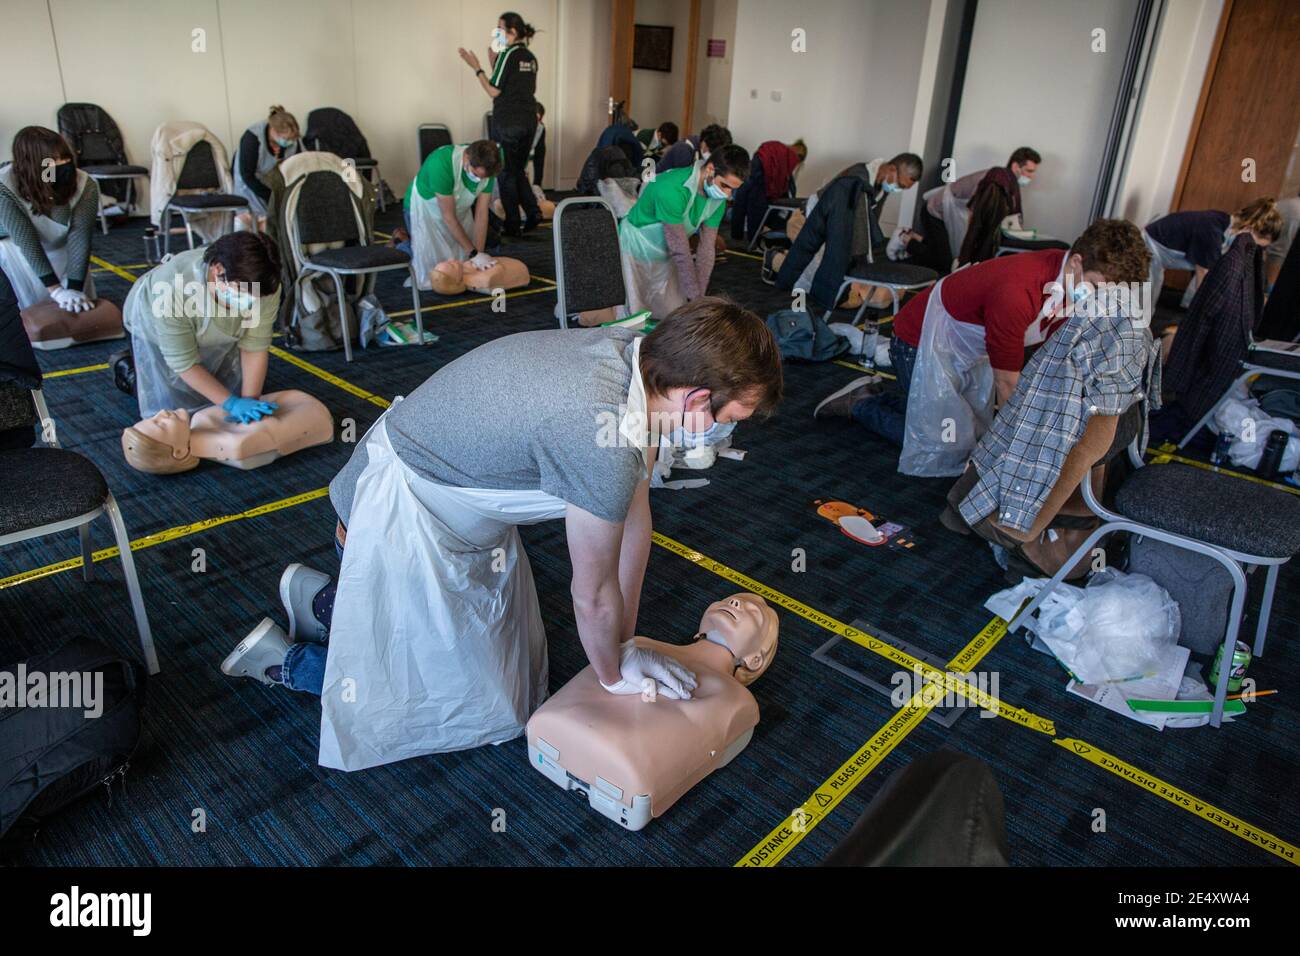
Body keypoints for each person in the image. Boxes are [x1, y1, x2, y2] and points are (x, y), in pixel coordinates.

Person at [218, 297, 785, 772]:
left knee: (489, 653)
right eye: (732, 415)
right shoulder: (601, 441)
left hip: (429, 490)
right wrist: (611, 675)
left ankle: (323, 600)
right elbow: (591, 592)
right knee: (476, 705)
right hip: (393, 515)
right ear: (695, 398)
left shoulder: (633, 360)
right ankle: (283, 662)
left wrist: (626, 643)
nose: (727, 428)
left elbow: (636, 520)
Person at [813, 218, 1151, 477]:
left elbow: (1049, 356)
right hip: (918, 342)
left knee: (972, 432)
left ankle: (884, 397)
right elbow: (1008, 384)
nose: (1100, 300)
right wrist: (1018, 452)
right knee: (944, 447)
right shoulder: (1018, 292)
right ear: (1076, 262)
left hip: (970, 348)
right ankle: (859, 404)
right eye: (1097, 288)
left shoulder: (1071, 283)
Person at [122, 232, 282, 420]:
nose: (250, 300)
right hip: (150, 326)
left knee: (217, 392)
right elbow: (183, 362)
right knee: (171, 406)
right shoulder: (172, 287)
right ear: (218, 269)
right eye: (241, 291)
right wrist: (231, 403)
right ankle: (127, 371)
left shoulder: (264, 284)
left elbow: (255, 346)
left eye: (254, 295)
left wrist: (251, 400)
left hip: (212, 329)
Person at [775, 152, 923, 313]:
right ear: (892, 169)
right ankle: (775, 258)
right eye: (900, 185)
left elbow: (868, 223)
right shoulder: (856, 179)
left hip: (836, 229)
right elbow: (837, 234)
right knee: (820, 285)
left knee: (856, 288)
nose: (897, 190)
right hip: (806, 223)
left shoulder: (881, 185)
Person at [618, 143, 750, 316]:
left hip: (666, 251)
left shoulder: (717, 200)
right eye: (724, 186)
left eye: (732, 190)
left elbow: (706, 250)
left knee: (670, 313)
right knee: (634, 313)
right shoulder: (671, 189)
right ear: (710, 169)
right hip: (636, 247)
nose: (727, 195)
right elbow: (680, 250)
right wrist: (695, 300)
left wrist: (699, 297)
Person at [459, 12, 541, 236]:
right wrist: (494, 64)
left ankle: (513, 225)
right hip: (528, 120)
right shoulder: (530, 57)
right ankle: (533, 212)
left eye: (500, 29)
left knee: (504, 172)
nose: (497, 34)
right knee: (517, 170)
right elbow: (518, 86)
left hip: (508, 122)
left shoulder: (508, 53)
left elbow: (494, 90)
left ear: (512, 33)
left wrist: (477, 67)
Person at [0, 126, 99, 311]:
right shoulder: (4, 186)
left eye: (65, 158)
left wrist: (74, 288)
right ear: (32, 164)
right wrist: (56, 291)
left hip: (60, 244)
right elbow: (26, 240)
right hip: (15, 247)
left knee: (78, 305)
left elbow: (80, 235)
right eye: (52, 161)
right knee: (33, 308)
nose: (62, 164)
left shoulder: (85, 183)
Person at [902, 147, 1040, 273]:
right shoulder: (993, 182)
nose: (1031, 177)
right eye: (1029, 171)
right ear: (1016, 166)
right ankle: (905, 240)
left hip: (946, 210)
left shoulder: (1007, 185)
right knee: (943, 262)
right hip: (935, 211)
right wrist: (966, 253)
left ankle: (914, 238)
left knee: (942, 252)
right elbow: (975, 216)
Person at [400, 140, 501, 290]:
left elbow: (481, 213)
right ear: (467, 158)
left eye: (483, 178)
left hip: (459, 208)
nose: (479, 180)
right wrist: (473, 254)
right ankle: (401, 244)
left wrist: (478, 253)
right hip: (425, 207)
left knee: (460, 259)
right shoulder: (441, 163)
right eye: (475, 174)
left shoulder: (491, 164)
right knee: (433, 268)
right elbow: (448, 216)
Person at [1143, 197, 1281, 307]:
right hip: (1148, 249)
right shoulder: (1213, 232)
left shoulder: (1224, 223)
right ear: (1250, 229)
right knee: (1143, 305)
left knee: (1148, 303)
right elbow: (1203, 278)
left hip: (1158, 253)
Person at [230, 106, 303, 229]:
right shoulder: (252, 138)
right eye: (286, 139)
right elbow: (247, 175)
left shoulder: (292, 139)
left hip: (269, 183)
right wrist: (272, 197)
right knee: (253, 223)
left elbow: (300, 164)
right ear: (273, 130)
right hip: (248, 186)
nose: (290, 142)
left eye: (292, 139)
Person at [730, 139, 807, 243]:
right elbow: (783, 184)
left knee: (741, 197)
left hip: (756, 162)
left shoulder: (780, 147)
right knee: (757, 206)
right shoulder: (792, 157)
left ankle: (736, 236)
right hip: (763, 175)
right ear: (800, 157)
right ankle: (753, 242)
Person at [657, 124, 731, 175]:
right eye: (711, 153)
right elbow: (683, 180)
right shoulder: (684, 150)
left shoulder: (699, 145)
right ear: (704, 144)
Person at [528, 102, 547, 187]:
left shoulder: (540, 128)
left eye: (538, 120)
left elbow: (540, 156)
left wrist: (537, 184)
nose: (535, 123)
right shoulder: (517, 128)